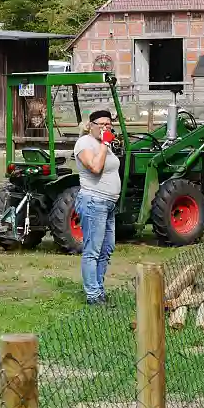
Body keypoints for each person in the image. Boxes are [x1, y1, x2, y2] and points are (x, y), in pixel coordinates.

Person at [73, 110, 121, 305]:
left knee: (107, 248)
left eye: (108, 125)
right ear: (90, 125)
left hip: (108, 204)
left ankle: (99, 290)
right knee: (92, 251)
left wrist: (106, 144)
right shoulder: (84, 143)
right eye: (101, 124)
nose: (105, 128)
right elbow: (95, 167)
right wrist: (105, 143)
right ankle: (93, 295)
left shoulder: (103, 145)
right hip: (94, 202)